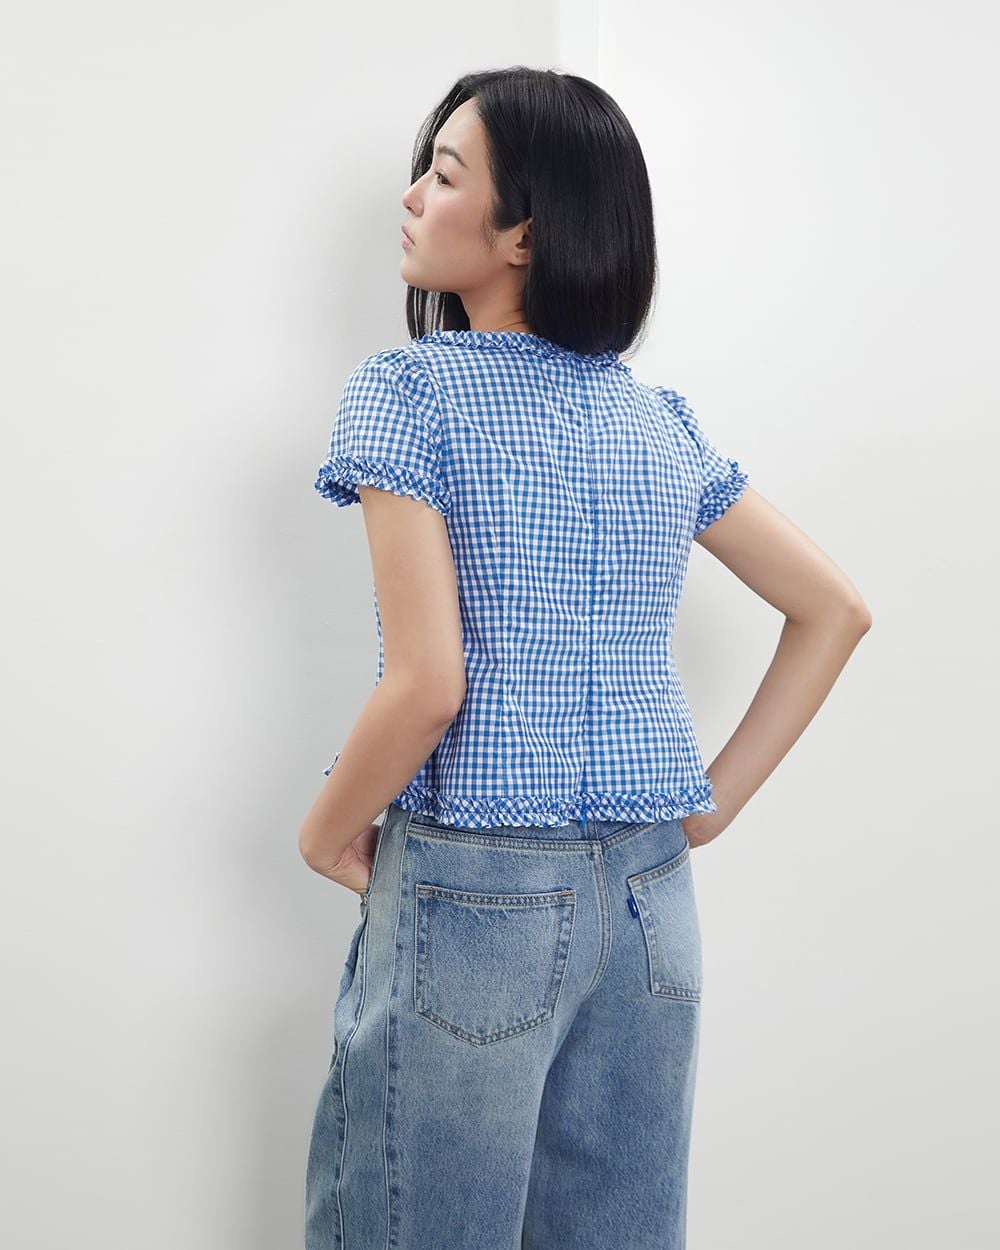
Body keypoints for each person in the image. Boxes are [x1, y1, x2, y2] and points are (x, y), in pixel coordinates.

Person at [297, 67, 872, 1250]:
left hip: (476, 892)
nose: (409, 197)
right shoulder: (656, 422)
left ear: (525, 233)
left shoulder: (410, 392)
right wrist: (706, 805)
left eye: (443, 174)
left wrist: (323, 828)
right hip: (652, 899)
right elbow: (833, 608)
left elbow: (428, 684)